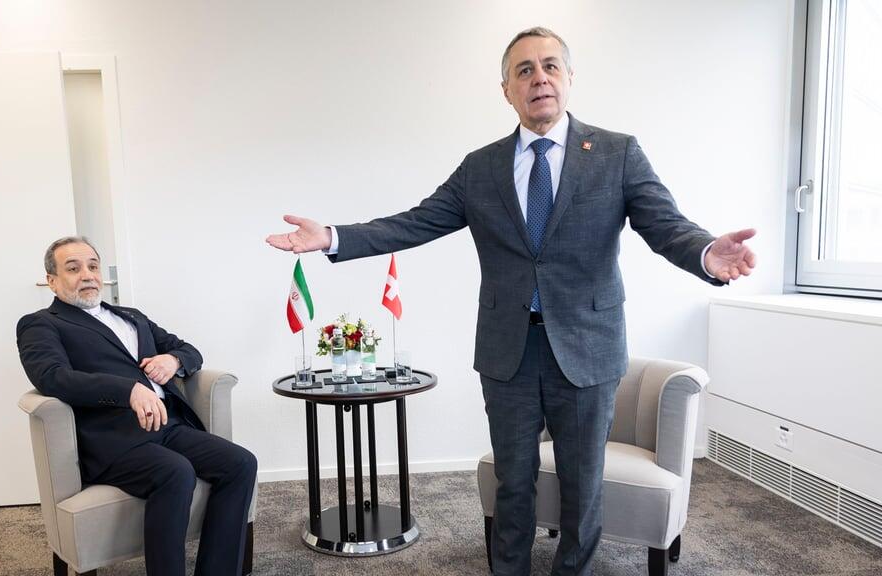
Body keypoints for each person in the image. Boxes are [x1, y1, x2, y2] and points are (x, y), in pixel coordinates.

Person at [266, 27, 755, 576]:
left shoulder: (617, 153)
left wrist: (706, 252)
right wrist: (332, 237)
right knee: (513, 484)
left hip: (587, 349)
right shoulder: (482, 167)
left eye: (550, 66)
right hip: (508, 353)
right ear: (507, 90)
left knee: (583, 487)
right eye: (524, 70)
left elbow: (664, 224)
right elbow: (415, 222)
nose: (538, 78)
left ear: (569, 78)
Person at [16, 236, 256, 576]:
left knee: (241, 463)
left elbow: (189, 350)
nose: (87, 274)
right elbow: (52, 377)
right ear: (52, 280)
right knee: (176, 471)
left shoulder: (132, 316)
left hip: (169, 426)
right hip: (113, 439)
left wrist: (173, 360)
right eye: (73, 268)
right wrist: (127, 390)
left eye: (93, 266)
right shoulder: (41, 323)